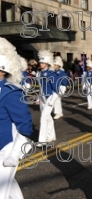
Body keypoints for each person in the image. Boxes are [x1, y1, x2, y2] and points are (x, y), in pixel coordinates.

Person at [0, 37, 33, 199]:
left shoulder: (11, 92)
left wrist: (15, 153)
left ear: (2, 70)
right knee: (9, 189)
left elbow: (25, 126)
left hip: (6, 149)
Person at [36, 50, 58, 146]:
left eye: (43, 62)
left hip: (49, 98)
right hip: (42, 98)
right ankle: (51, 136)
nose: (41, 64)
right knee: (48, 118)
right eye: (40, 62)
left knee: (43, 118)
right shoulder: (39, 73)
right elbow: (40, 87)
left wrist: (52, 101)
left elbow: (56, 90)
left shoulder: (51, 74)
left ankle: (42, 140)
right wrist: (38, 98)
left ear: (47, 63)